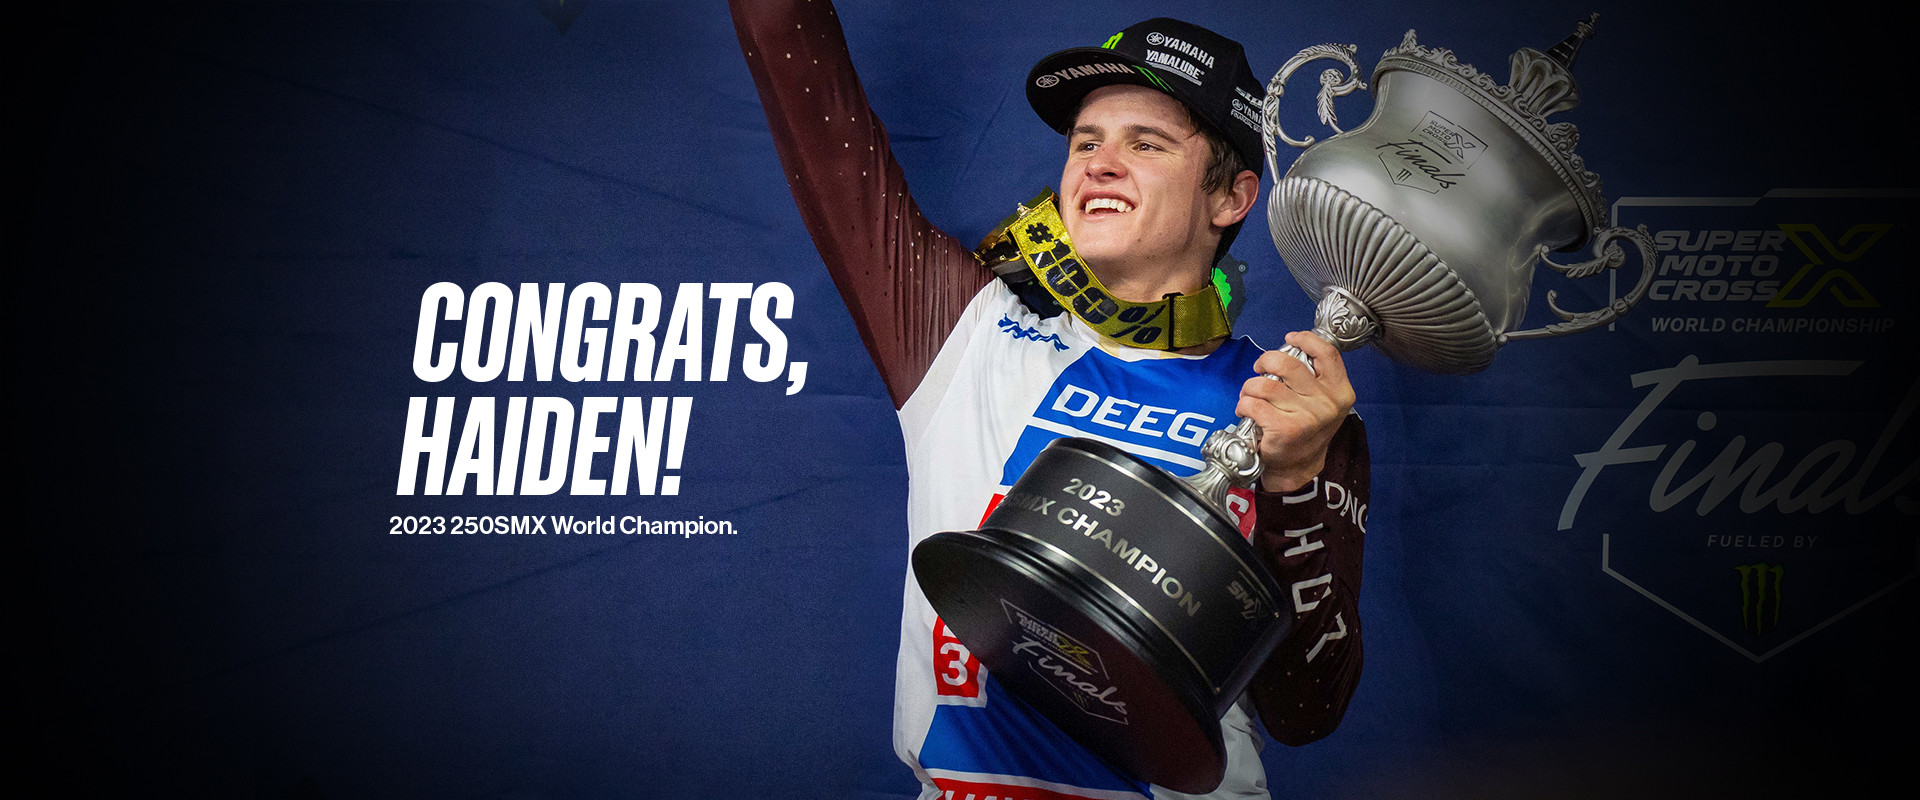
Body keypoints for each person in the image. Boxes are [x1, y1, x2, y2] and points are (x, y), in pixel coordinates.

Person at [731, 2, 1368, 798]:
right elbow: (798, 74)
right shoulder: (961, 337)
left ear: (1231, 198)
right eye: (1085, 142)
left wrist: (1294, 485)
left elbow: (1307, 708)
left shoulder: (1293, 408)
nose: (1099, 164)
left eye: (1146, 143)